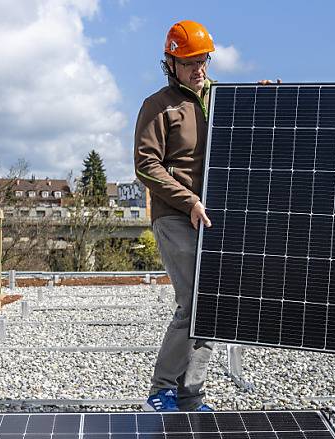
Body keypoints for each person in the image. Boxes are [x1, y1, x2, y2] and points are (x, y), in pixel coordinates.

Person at [134, 20, 216, 412]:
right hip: (175, 216)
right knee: (193, 300)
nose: (198, 69)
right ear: (171, 63)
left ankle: (190, 394)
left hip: (212, 216)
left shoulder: (220, 99)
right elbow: (146, 165)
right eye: (188, 63)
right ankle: (161, 388)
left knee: (214, 303)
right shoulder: (159, 106)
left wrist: (262, 104)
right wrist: (188, 201)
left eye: (202, 61)